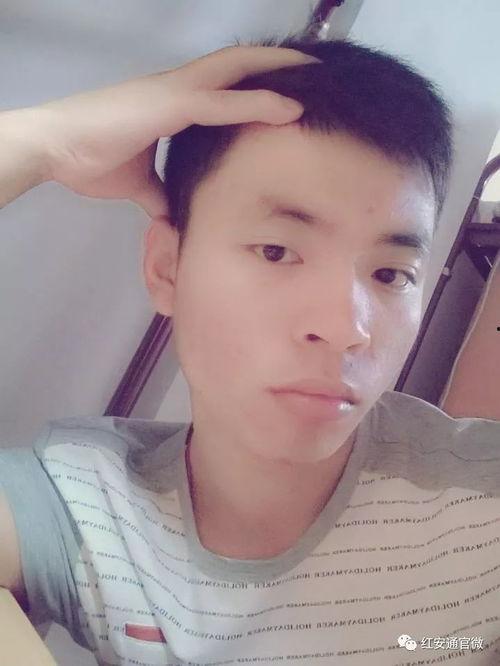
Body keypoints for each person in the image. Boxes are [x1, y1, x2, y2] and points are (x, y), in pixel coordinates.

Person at [0, 34, 499, 666]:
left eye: (390, 275)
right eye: (276, 251)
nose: (346, 327)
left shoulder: (480, 506)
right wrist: (40, 141)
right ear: (167, 268)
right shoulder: (91, 508)